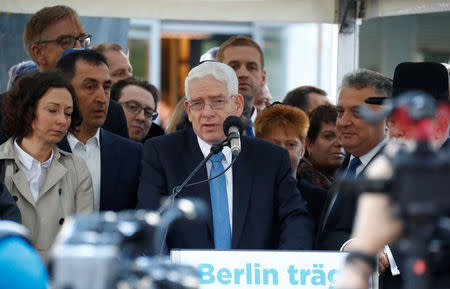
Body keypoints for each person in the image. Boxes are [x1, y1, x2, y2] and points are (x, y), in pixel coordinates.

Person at [137, 61, 314, 251]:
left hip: (254, 276)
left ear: (237, 105)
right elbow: (150, 222)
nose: (207, 113)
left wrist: (283, 268)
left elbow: (295, 218)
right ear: (188, 111)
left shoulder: (270, 158)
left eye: (217, 102)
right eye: (197, 104)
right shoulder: (162, 153)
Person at [0, 71, 93, 259]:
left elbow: (84, 235)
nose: (62, 120)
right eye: (52, 110)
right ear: (27, 110)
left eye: (68, 113)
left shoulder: (77, 167)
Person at [21, 5, 129, 139]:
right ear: (39, 53)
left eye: (82, 39)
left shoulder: (111, 112)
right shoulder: (13, 108)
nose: (78, 47)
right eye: (66, 41)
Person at [56, 50, 142, 212]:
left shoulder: (133, 155)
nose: (102, 98)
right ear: (65, 90)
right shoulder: (41, 149)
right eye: (90, 87)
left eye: (106, 87)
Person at [316, 69, 392, 251]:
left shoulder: (396, 170)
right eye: (340, 111)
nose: (343, 122)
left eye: (357, 113)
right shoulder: (345, 164)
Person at [93, 42, 165, 139]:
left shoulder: (155, 137)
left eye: (130, 72)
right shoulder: (89, 130)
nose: (129, 78)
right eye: (119, 73)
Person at [297, 104, 345, 225]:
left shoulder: (351, 180)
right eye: (328, 136)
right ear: (308, 145)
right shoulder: (302, 190)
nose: (339, 143)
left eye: (343, 136)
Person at [217, 35, 266, 137]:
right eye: (234, 67)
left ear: (263, 78)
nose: (243, 74)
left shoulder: (275, 134)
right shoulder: (202, 130)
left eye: (251, 67)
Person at [254, 103, 308, 179]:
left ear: (302, 150)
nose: (283, 152)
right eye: (274, 145)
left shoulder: (315, 191)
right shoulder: (242, 189)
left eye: (291, 145)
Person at [110, 77, 160, 143]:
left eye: (148, 113)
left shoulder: (158, 150)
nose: (141, 118)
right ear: (111, 106)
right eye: (132, 107)